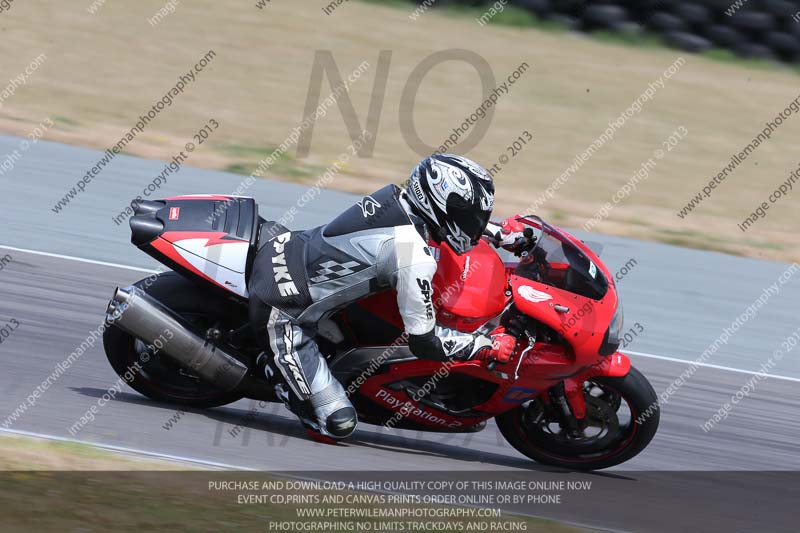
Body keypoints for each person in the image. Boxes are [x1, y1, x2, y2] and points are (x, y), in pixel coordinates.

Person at [248, 153, 524, 441]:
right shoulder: (412, 257)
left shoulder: (397, 199)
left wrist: (498, 233)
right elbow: (424, 342)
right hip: (282, 308)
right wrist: (484, 346)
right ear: (440, 203)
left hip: (285, 246)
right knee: (337, 425)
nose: (474, 223)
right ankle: (275, 371)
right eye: (470, 216)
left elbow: (448, 224)